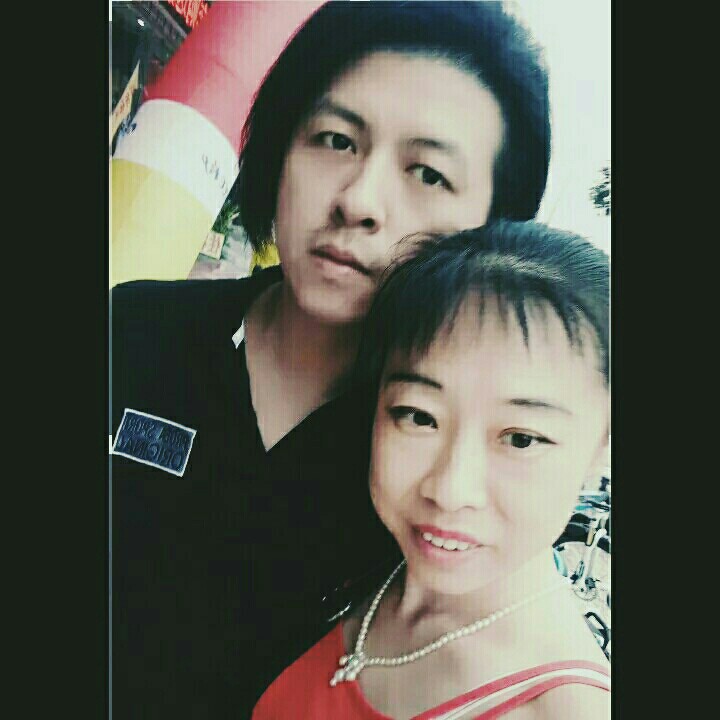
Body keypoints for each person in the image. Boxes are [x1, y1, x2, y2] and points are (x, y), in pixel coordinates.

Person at [111, 2, 550, 717]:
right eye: (335, 140)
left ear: (494, 229)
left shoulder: (449, 470)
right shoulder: (134, 330)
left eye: (427, 173)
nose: (359, 200)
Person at [252, 221, 610, 719]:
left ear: (603, 447)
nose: (449, 490)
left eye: (521, 439)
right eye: (419, 416)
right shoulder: (348, 555)